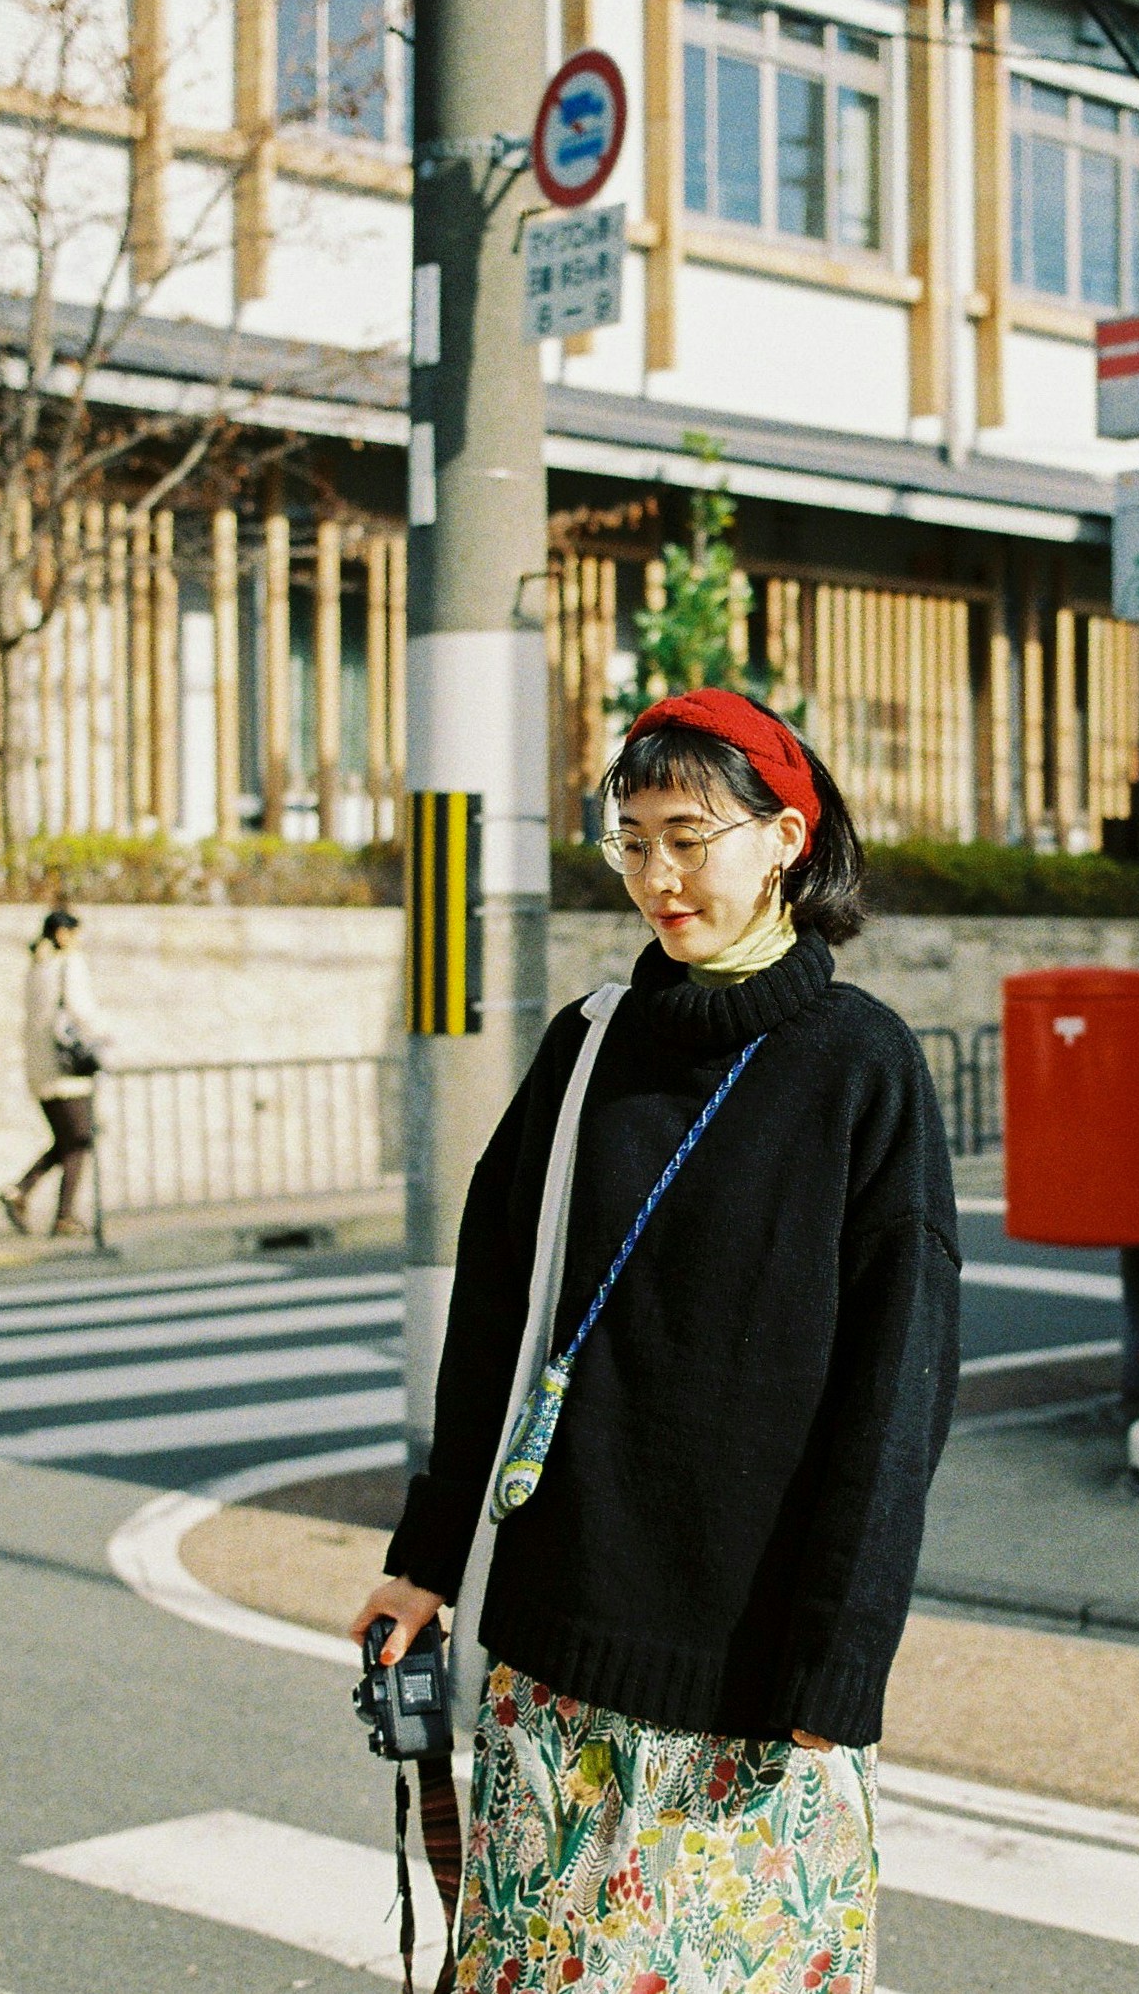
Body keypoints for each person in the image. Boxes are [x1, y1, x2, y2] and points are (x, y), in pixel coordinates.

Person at [350, 689, 960, 1994]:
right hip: (552, 1656)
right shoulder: (587, 1046)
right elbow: (496, 1322)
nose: (658, 875)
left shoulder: (861, 1065)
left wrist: (841, 1654)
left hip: (752, 1682)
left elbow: (896, 1394)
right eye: (631, 841)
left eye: (689, 834)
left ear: (786, 836)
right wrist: (426, 1554)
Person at [1, 908, 101, 1237]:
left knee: (68, 1139)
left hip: (41, 1068)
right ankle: (63, 1216)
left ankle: (20, 1192)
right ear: (62, 934)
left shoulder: (36, 967)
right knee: (79, 1140)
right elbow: (81, 1009)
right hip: (68, 1069)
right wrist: (105, 1037)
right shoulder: (68, 964)